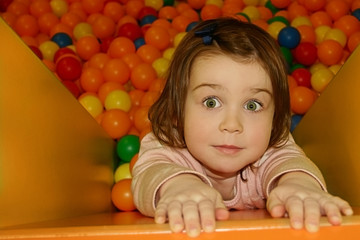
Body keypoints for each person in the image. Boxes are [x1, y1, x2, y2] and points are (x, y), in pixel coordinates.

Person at [131, 17, 353, 237]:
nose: (232, 125)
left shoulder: (270, 146)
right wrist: (179, 187)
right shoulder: (167, 144)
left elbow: (289, 162)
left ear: (275, 119)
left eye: (252, 105)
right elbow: (150, 172)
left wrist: (298, 185)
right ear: (176, 112)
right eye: (211, 102)